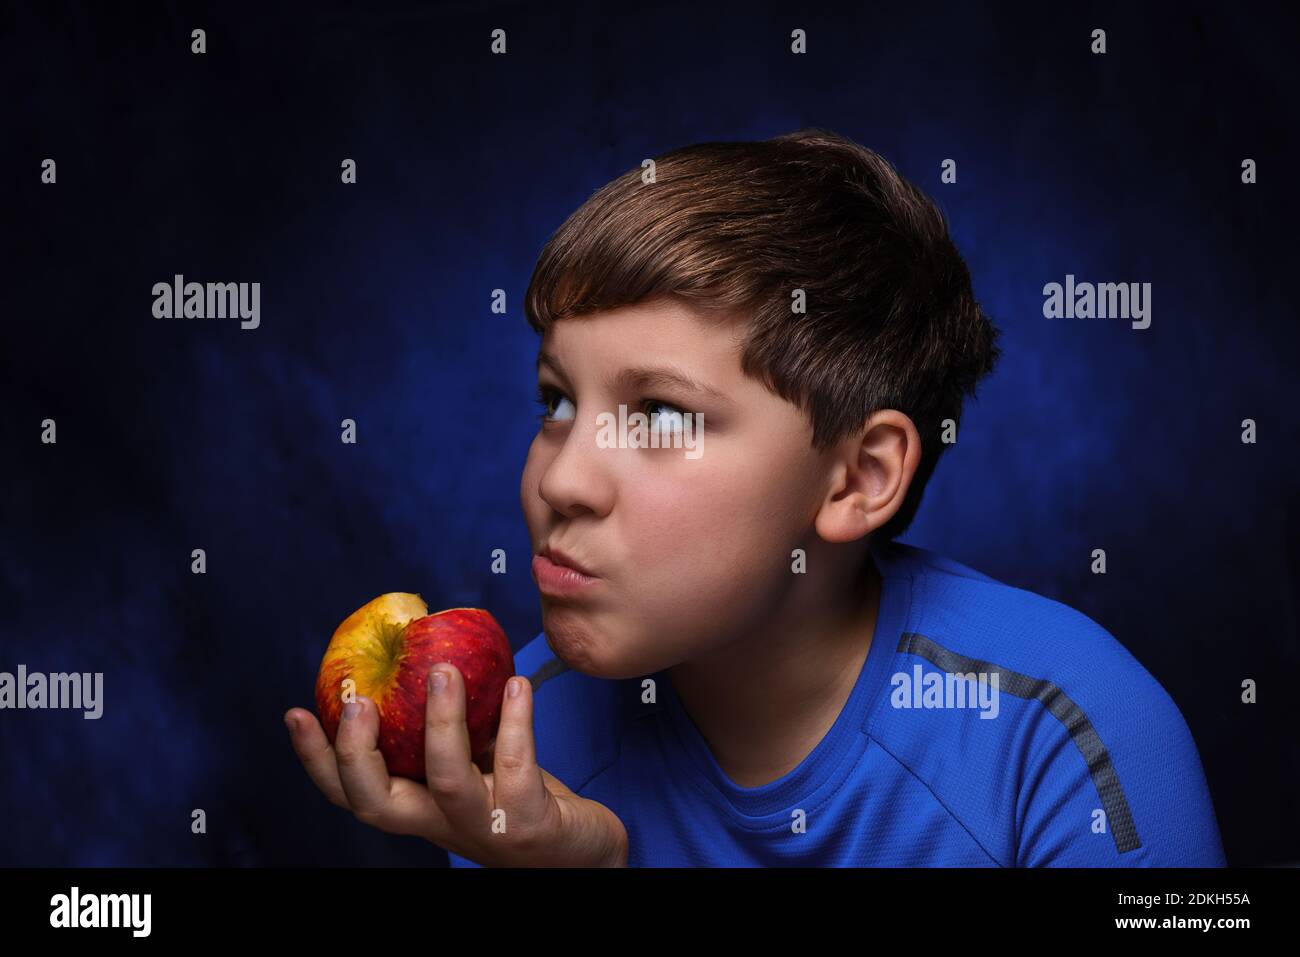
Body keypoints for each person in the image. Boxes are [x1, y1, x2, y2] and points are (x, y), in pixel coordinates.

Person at [284, 128, 1226, 867]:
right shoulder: (529, 735)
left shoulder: (1067, 734)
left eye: (659, 415)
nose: (560, 478)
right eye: (557, 401)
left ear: (860, 477)